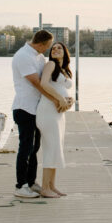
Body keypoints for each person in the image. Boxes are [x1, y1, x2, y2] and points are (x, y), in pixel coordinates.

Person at [11, 29, 62, 198]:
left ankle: (31, 182)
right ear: (41, 44)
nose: (47, 50)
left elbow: (47, 81)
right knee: (25, 148)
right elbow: (37, 83)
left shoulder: (39, 57)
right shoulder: (23, 56)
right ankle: (21, 185)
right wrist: (55, 99)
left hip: (37, 109)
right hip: (24, 108)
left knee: (35, 147)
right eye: (47, 46)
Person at [36, 42, 74, 198]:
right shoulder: (50, 64)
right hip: (47, 111)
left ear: (65, 52)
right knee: (51, 147)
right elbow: (43, 84)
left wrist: (69, 101)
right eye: (53, 48)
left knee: (57, 147)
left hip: (58, 113)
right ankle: (45, 188)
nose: (55, 50)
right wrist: (60, 99)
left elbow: (63, 90)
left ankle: (52, 185)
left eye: (59, 48)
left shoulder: (64, 70)